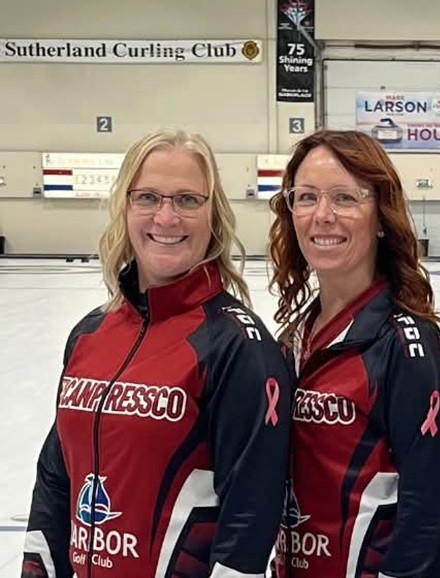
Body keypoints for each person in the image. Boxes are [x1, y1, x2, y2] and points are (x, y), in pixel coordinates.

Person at [21, 129, 293, 577]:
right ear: (125, 207)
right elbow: (55, 477)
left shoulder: (237, 346)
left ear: (213, 215)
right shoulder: (90, 334)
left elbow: (251, 513)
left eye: (187, 200)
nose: (166, 218)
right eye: (147, 197)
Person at [268, 129, 440, 577]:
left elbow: (428, 516)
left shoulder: (408, 349)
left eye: (344, 198)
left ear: (380, 217)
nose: (323, 216)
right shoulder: (290, 342)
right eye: (307, 197)